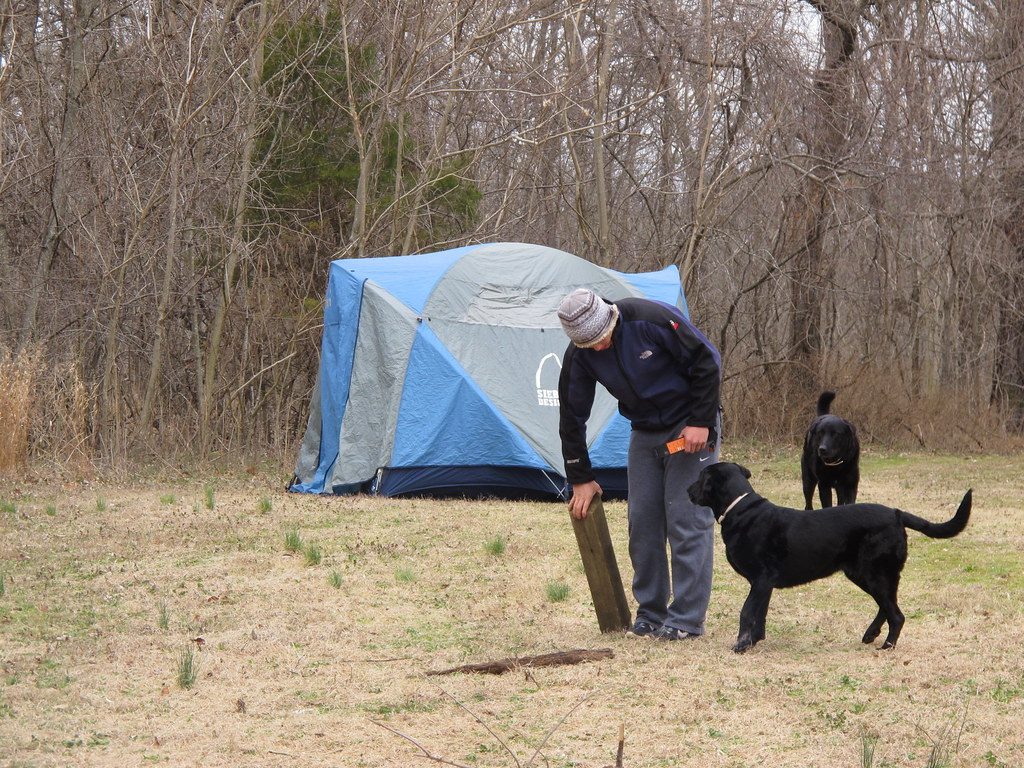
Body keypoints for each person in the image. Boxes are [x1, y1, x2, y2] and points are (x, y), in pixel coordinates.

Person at [557, 287, 721, 641]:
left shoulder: (651, 319)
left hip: (689, 423)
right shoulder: (581, 353)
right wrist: (580, 477)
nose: (599, 347)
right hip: (645, 430)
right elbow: (571, 416)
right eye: (590, 345)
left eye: (602, 338)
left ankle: (687, 621)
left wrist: (701, 420)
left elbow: (707, 361)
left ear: (610, 319)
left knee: (686, 519)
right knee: (642, 521)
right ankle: (650, 614)